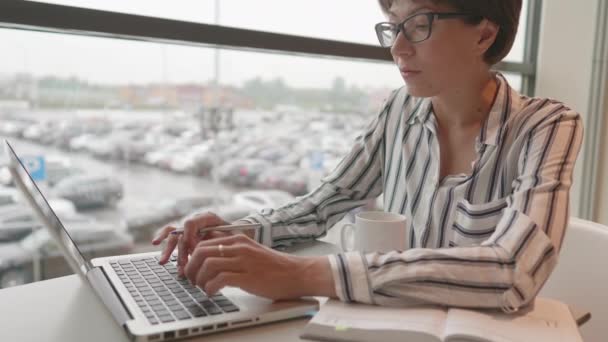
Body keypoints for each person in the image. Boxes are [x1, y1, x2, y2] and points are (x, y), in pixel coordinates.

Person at [153, 0, 583, 312]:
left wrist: (302, 275)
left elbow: (513, 268)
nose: (397, 48)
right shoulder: (400, 109)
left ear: (484, 34)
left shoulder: (546, 126)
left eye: (418, 24)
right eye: (392, 26)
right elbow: (325, 204)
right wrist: (235, 235)